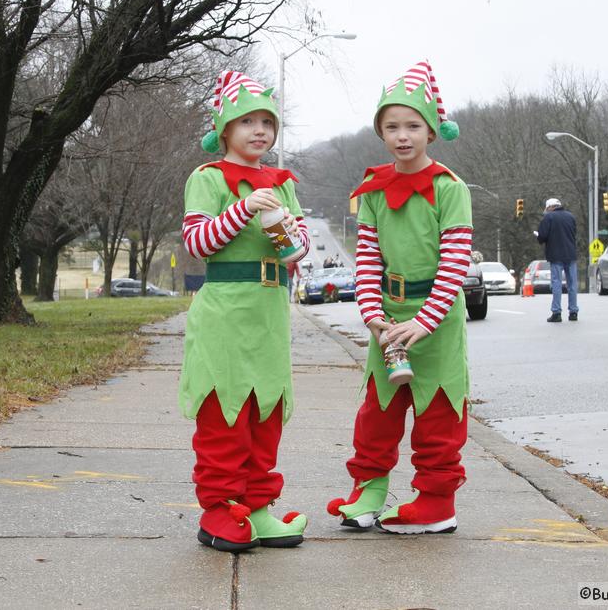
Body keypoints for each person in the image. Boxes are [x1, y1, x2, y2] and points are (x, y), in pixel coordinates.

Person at [326, 60, 473, 534]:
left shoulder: (450, 189)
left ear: (431, 130)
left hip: (435, 319)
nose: (402, 136)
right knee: (378, 411)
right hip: (388, 321)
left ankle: (435, 504)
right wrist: (373, 315)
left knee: (438, 413)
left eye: (413, 125)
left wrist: (424, 323)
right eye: (391, 127)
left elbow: (453, 266)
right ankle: (368, 492)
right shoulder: (372, 191)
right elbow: (366, 258)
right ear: (380, 132)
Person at [179, 70, 311, 552]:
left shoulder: (283, 183)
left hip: (270, 314)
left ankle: (258, 507)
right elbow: (198, 243)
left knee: (265, 411)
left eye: (267, 123)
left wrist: (291, 234)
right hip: (225, 314)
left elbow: (298, 251)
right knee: (224, 411)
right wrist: (243, 208)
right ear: (225, 129)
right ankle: (219, 510)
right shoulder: (207, 178)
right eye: (248, 121)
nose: (260, 130)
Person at [536, 197, 578, 322]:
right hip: (570, 254)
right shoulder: (571, 217)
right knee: (572, 284)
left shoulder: (548, 218)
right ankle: (573, 311)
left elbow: (542, 236)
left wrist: (539, 237)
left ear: (550, 207)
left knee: (557, 283)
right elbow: (574, 233)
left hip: (555, 255)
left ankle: (557, 312)